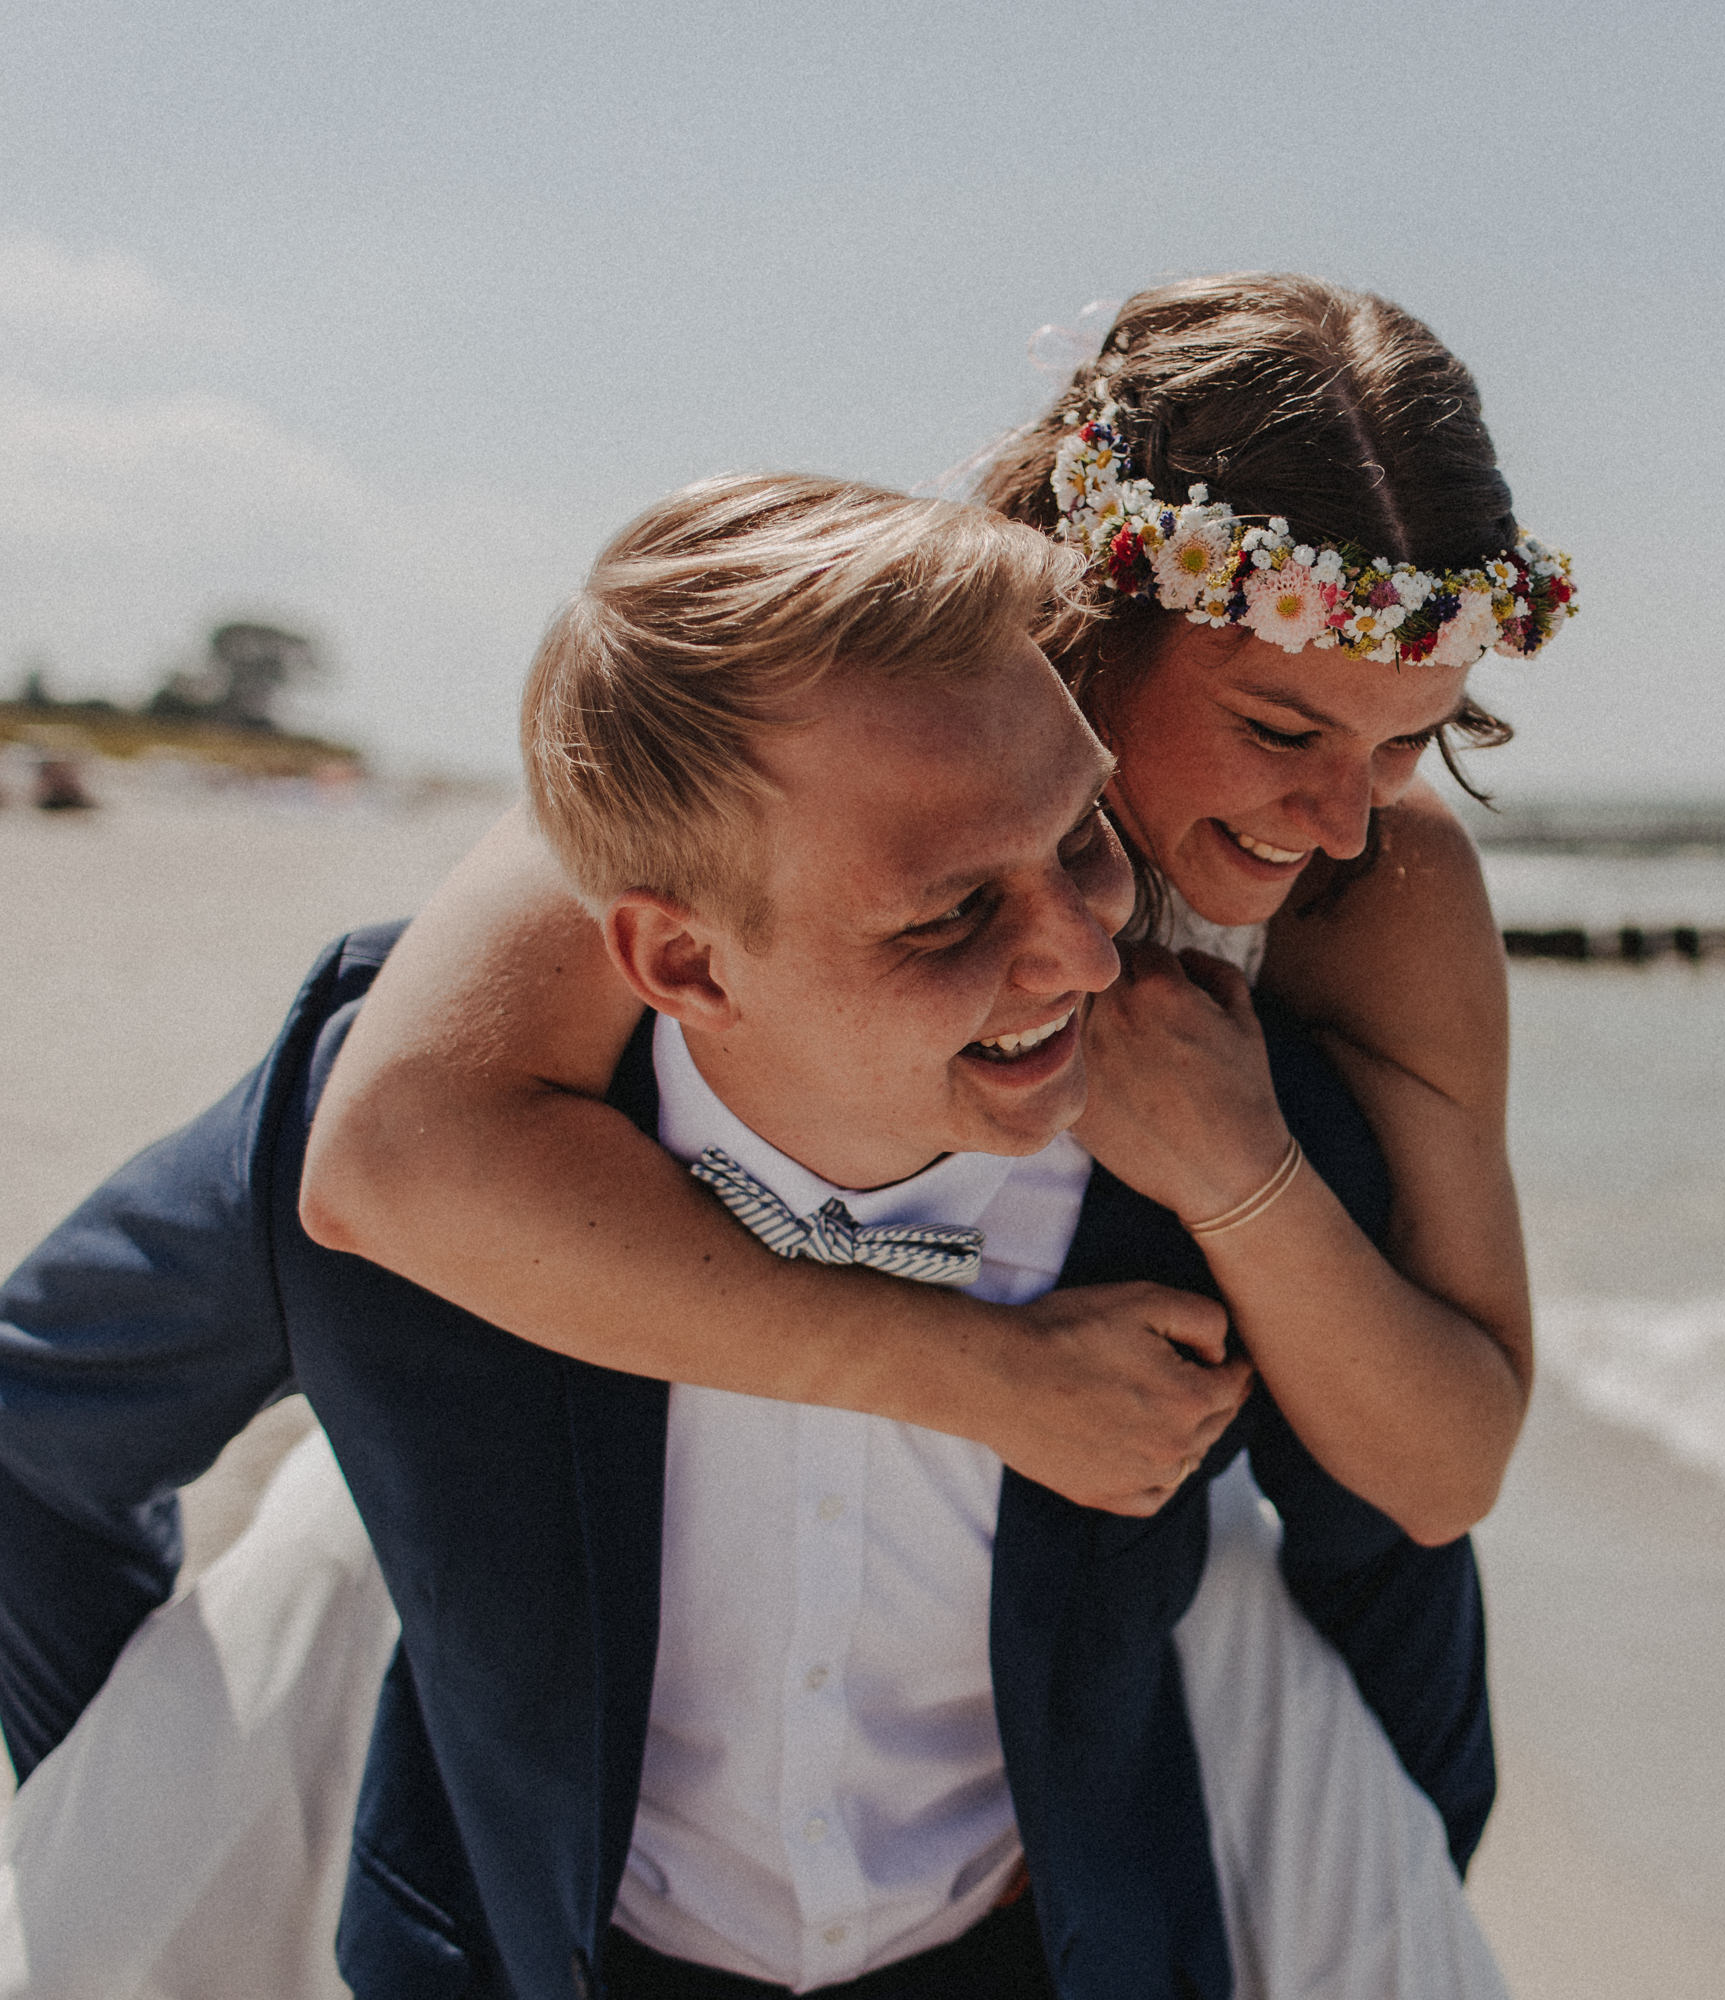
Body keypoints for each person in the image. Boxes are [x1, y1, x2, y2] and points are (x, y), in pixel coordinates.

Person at [0, 472, 1519, 1999]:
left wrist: (1406, 1888)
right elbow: (33, 1439)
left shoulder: (1230, 1155)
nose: (1078, 953)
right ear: (681, 960)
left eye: (1081, 843)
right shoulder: (406, 1161)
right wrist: (113, 1806)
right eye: (945, 919)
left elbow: (1392, 1563)